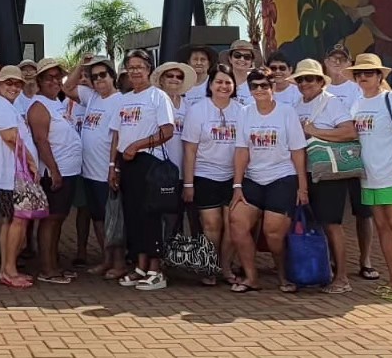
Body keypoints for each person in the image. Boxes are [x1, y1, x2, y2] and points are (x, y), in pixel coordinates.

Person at [347, 53, 392, 300]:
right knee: (381, 228)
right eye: (359, 74)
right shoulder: (357, 104)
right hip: (369, 176)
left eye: (369, 73)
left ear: (380, 76)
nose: (363, 77)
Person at [229, 68, 308, 293]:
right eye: (254, 86)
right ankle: (251, 277)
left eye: (264, 85)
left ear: (273, 86)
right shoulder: (245, 113)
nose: (260, 90)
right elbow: (242, 151)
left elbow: (297, 151)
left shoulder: (286, 112)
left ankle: (283, 274)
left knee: (273, 233)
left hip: (282, 177)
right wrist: (237, 186)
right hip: (253, 178)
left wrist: (302, 186)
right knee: (237, 223)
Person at [108, 49, 175, 291]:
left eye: (140, 66)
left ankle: (156, 271)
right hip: (127, 164)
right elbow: (117, 134)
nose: (135, 71)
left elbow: (167, 131)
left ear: (149, 69)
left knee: (150, 216)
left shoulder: (158, 97)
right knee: (133, 216)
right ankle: (140, 267)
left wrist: (138, 145)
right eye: (131, 66)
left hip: (149, 163)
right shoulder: (123, 100)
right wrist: (113, 166)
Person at [292, 58, 359, 294]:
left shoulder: (331, 103)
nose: (304, 83)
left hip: (329, 175)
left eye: (309, 79)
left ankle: (342, 277)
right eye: (300, 80)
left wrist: (315, 132)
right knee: (311, 223)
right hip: (304, 173)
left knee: (332, 224)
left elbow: (350, 132)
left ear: (321, 81)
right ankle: (319, 271)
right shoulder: (296, 104)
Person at [180, 65, 245, 286]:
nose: (223, 86)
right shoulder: (197, 110)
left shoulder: (242, 111)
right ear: (210, 85)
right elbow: (189, 150)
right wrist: (188, 183)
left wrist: (239, 180)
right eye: (219, 82)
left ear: (234, 86)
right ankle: (209, 266)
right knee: (211, 225)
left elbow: (244, 149)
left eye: (228, 82)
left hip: (233, 177)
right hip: (204, 175)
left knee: (232, 224)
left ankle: (225, 267)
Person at [322, 43, 378, 280]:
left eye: (342, 59)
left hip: (358, 157)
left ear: (349, 63)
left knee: (363, 212)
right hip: (327, 159)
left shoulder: (356, 89)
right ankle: (333, 259)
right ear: (325, 62)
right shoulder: (318, 87)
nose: (337, 62)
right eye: (333, 58)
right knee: (331, 214)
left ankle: (365, 260)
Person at [0, 65, 37, 288]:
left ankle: (7, 268)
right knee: (17, 221)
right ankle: (9, 270)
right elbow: (11, 137)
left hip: (10, 174)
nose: (13, 87)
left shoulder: (4, 106)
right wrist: (32, 163)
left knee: (11, 221)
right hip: (9, 174)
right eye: (9, 83)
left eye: (17, 84)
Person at [27, 58, 80, 284]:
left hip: (69, 170)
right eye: (49, 78)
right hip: (55, 172)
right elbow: (41, 141)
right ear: (39, 81)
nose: (55, 81)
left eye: (58, 77)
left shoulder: (56, 103)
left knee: (58, 219)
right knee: (50, 219)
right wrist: (54, 170)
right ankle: (47, 268)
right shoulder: (39, 106)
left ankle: (54, 262)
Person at [72, 55, 124, 279]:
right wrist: (80, 66)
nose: (99, 80)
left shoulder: (121, 100)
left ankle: (119, 263)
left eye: (103, 74)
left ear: (113, 76)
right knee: (99, 220)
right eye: (94, 77)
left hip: (107, 171)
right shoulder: (91, 97)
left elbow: (119, 136)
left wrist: (114, 167)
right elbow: (67, 86)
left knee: (115, 221)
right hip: (89, 172)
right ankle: (106, 260)